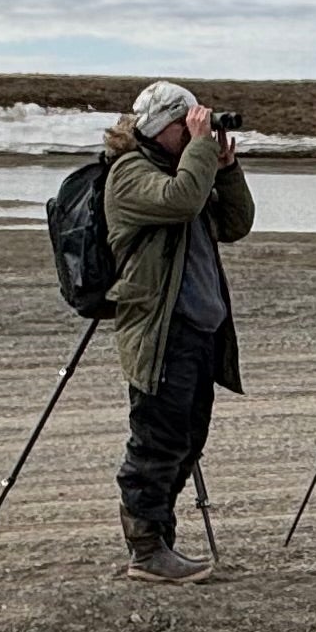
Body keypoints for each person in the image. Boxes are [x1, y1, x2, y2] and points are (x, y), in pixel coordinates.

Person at [103, 82, 253, 585]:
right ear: (159, 126)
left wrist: (226, 168)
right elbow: (183, 201)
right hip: (161, 330)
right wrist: (201, 151)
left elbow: (236, 224)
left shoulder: (184, 168)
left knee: (187, 441)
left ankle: (160, 541)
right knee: (156, 443)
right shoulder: (130, 172)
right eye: (184, 125)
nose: (194, 133)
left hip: (198, 330)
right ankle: (146, 549)